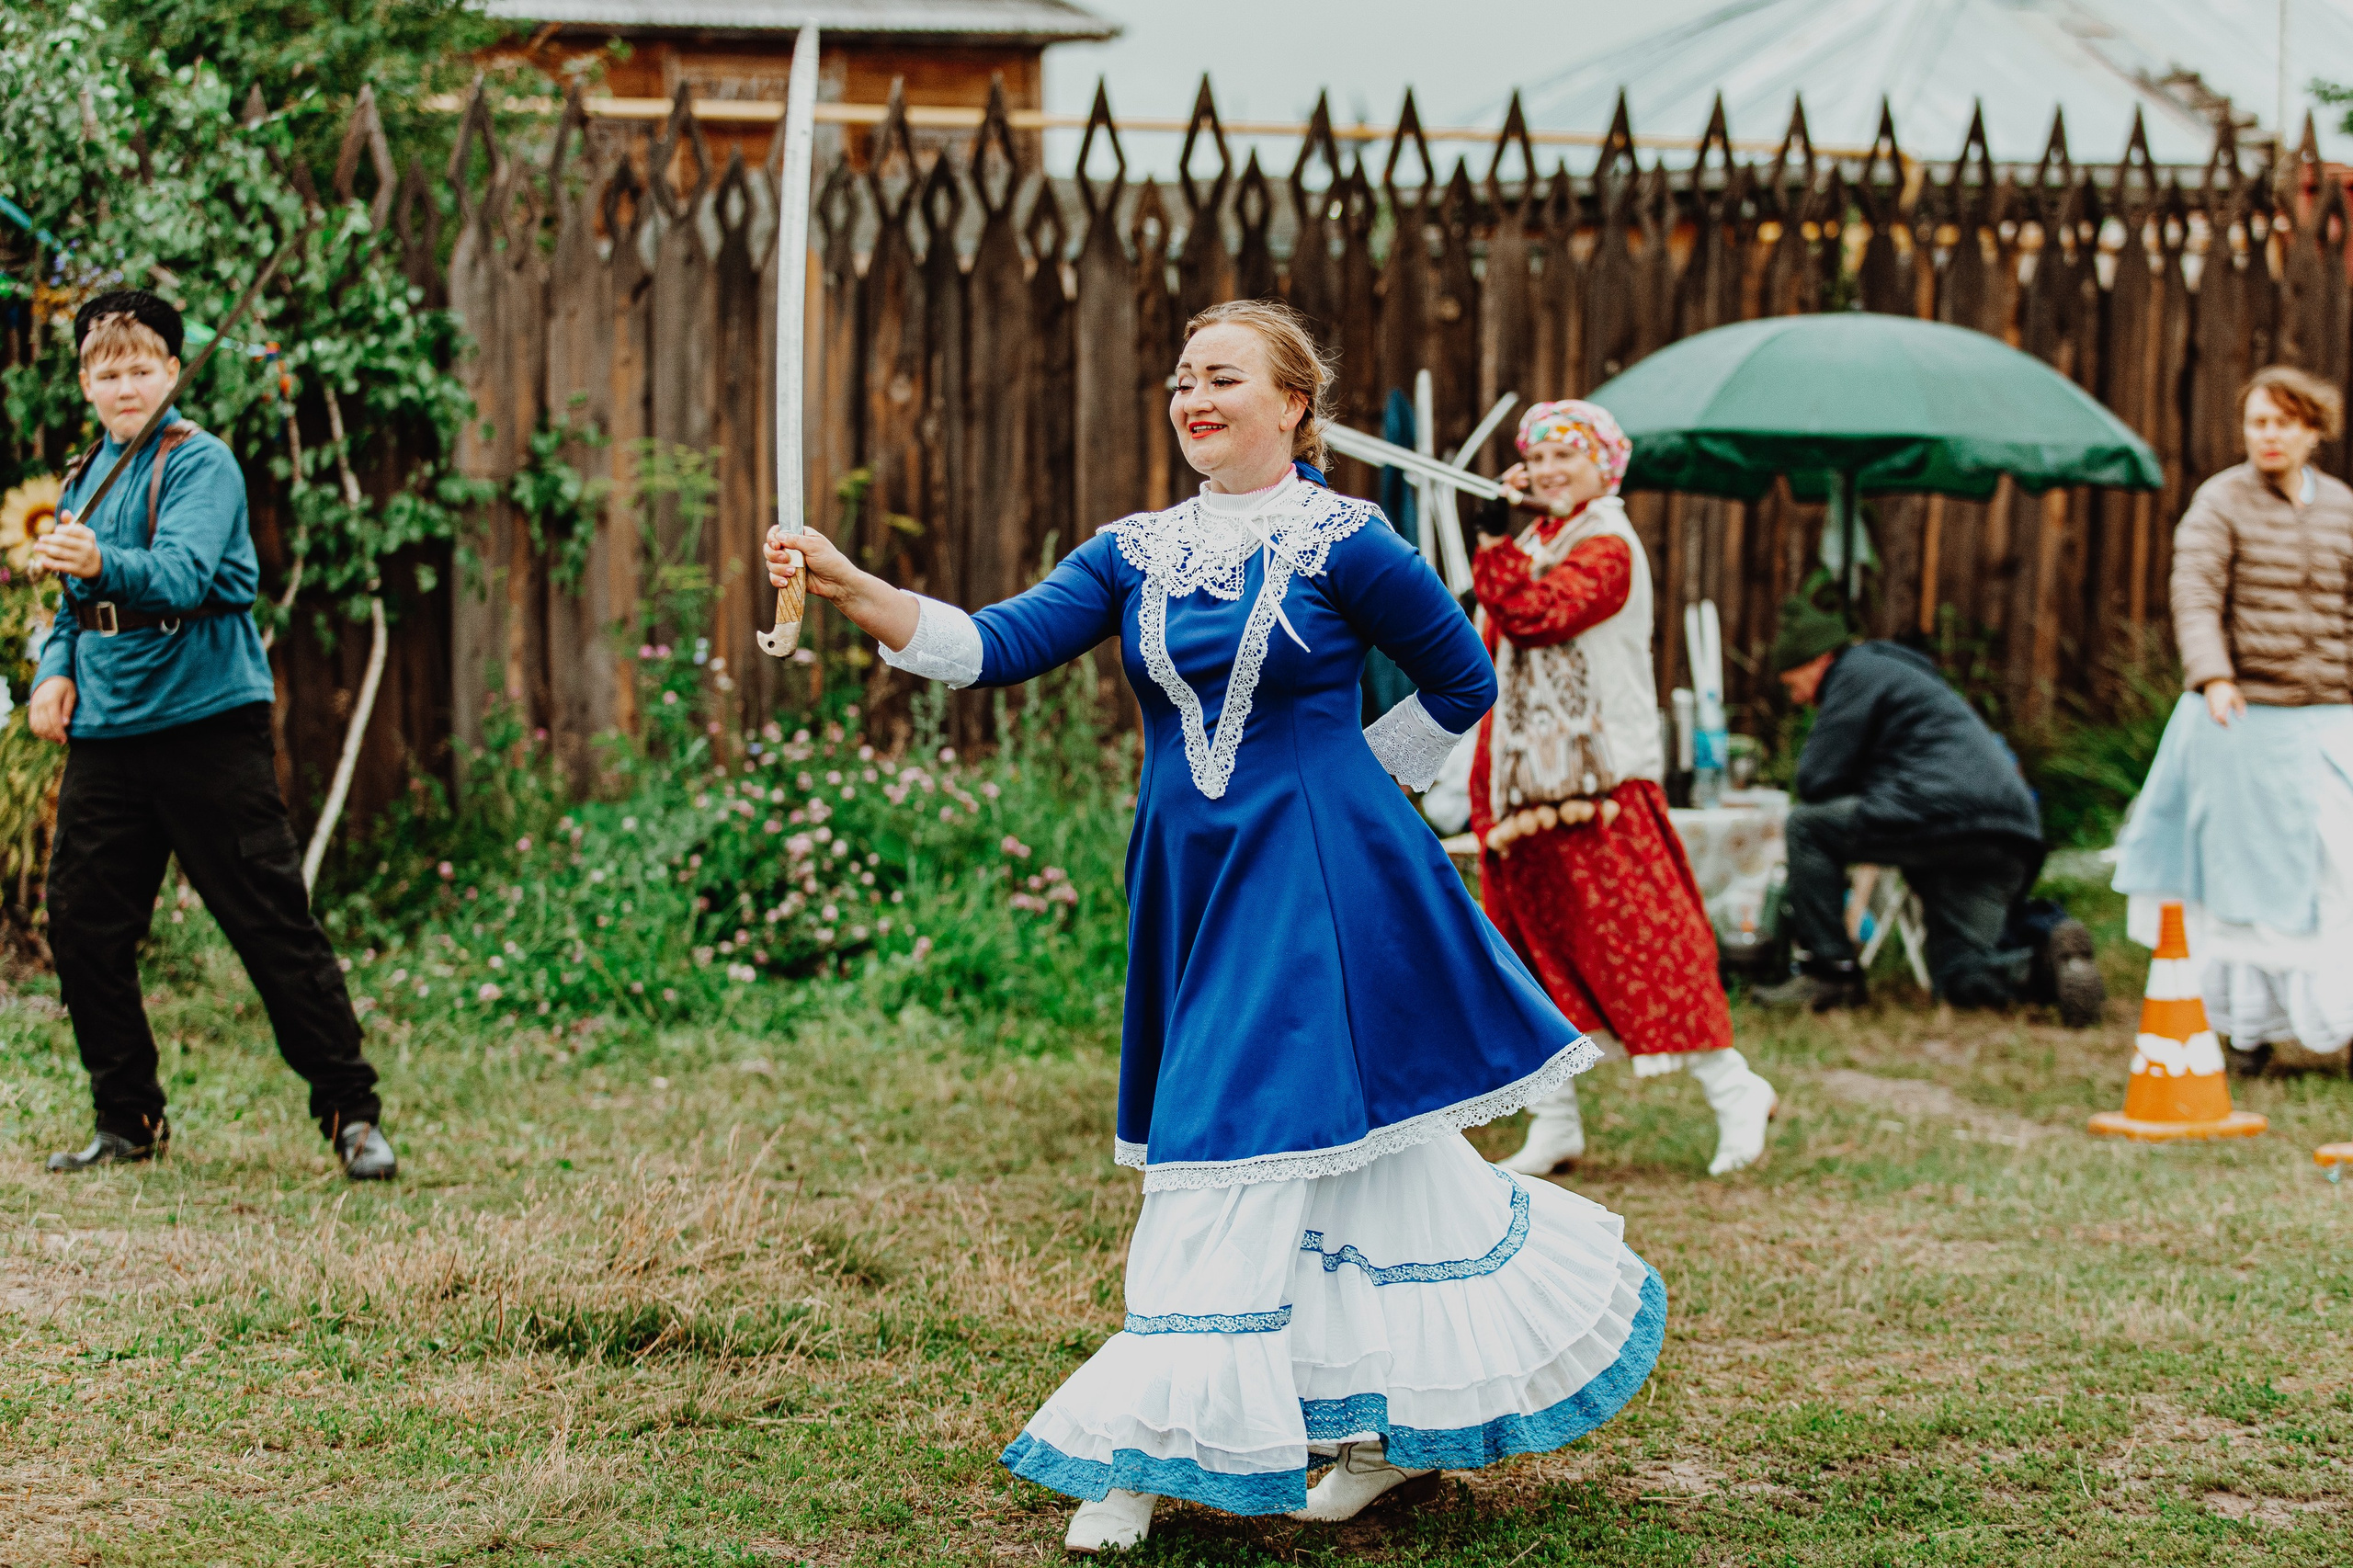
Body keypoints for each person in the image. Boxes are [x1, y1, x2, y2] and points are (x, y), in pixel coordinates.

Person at [765, 300, 1663, 1552]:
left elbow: (1462, 676)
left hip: (1319, 880)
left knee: (1220, 1140)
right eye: (1183, 377)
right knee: (1350, 1149)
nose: (1194, 396)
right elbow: (989, 646)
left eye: (1223, 376)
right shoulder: (1131, 551)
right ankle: (1372, 1427)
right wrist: (857, 584)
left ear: (1293, 403)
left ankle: (1137, 1453)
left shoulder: (1351, 541)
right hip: (1192, 884)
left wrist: (1358, 790)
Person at [27, 290, 394, 1180]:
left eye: (142, 369)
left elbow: (186, 575)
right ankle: (128, 1120)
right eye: (107, 372)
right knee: (83, 926)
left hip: (206, 724)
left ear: (172, 372)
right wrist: (54, 668)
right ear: (85, 383)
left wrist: (98, 562)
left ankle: (351, 1112)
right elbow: (77, 606)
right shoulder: (83, 476)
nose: (125, 386)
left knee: (268, 921)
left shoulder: (203, 466)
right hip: (111, 734)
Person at [1468, 401, 1774, 1179]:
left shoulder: (1607, 545)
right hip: (1521, 788)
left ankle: (1734, 1090)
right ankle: (1555, 1121)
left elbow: (1538, 615)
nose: (1548, 472)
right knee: (1528, 959)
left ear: (1606, 468)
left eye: (1568, 457)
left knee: (1646, 944)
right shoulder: (1535, 540)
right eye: (1537, 459)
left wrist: (1493, 541)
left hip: (1600, 782)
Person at [2113, 366, 2353, 1067]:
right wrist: (2215, 677)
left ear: (2313, 430)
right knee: (2246, 884)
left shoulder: (2341, 506)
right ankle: (2246, 1029)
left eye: (2283, 422)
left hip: (2329, 718)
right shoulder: (2220, 501)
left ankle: (2335, 1015)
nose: (2269, 436)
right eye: (2258, 422)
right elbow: (2194, 594)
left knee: (2335, 871)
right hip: (2244, 717)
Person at [1757, 573, 2102, 1023]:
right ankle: (2045, 966)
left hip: (1943, 815)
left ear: (1819, 659)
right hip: (2006, 830)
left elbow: (1815, 780)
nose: (1799, 698)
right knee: (1958, 974)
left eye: (1793, 684)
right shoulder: (1903, 676)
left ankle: (1831, 973)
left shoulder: (1854, 674)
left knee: (1808, 826)